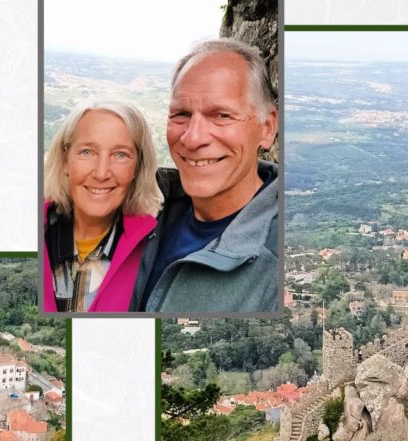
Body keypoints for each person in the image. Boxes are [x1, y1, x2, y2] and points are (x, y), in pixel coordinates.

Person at [131, 38, 280, 313]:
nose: (193, 138)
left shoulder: (273, 264)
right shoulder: (148, 208)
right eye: (181, 114)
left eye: (221, 115)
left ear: (267, 128)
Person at [42, 100, 163, 312]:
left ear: (138, 167)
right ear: (65, 159)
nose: (101, 173)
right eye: (87, 152)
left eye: (121, 155)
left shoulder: (154, 251)